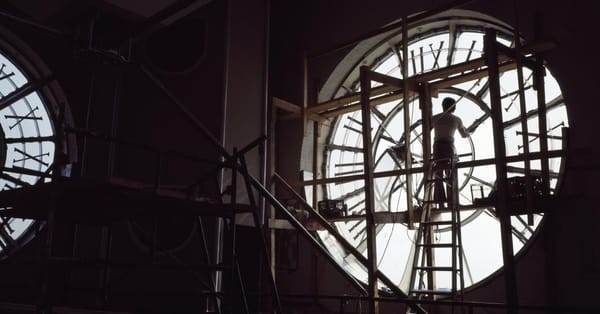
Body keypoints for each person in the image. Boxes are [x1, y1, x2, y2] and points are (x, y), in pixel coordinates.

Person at [431, 97, 472, 205]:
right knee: (451, 175)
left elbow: (426, 130)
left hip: (437, 147)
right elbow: (464, 135)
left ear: (443, 106)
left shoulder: (435, 118)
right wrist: (471, 132)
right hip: (449, 147)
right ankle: (452, 201)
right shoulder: (457, 120)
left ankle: (439, 202)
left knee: (438, 175)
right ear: (454, 107)